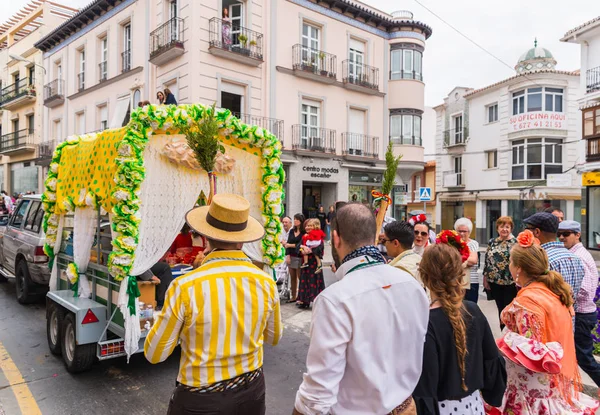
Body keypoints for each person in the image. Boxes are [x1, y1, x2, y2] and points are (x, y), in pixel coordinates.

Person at [145, 193, 282, 415]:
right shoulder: (266, 282)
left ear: (206, 237)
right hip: (252, 392)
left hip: (201, 399)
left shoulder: (185, 286)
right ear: (243, 239)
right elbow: (274, 338)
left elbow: (155, 354)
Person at [293, 203, 429, 415]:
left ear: (335, 238)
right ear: (374, 236)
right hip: (406, 408)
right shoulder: (411, 284)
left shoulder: (334, 300)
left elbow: (317, 394)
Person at [491, 230, 599, 415]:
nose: (509, 265)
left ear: (519, 269)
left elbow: (532, 350)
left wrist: (505, 341)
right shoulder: (551, 291)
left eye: (511, 261)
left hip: (529, 387)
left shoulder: (527, 300)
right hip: (550, 382)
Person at [413, 244, 506, 415]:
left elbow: (426, 383)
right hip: (474, 406)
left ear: (424, 276)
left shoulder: (426, 321)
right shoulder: (473, 310)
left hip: (442, 409)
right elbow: (492, 362)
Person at [558, 220, 600, 386]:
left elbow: (586, 290)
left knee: (584, 358)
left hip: (582, 314)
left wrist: (565, 293)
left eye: (566, 234)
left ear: (578, 235)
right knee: (578, 356)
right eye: (559, 234)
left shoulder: (578, 256)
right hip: (583, 314)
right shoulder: (575, 253)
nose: (562, 237)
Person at [523, 212, 584, 311]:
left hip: (547, 322)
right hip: (568, 322)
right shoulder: (575, 258)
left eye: (528, 228)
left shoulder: (541, 260)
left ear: (537, 232)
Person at [483, 216, 517, 330]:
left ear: (511, 229)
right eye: (502, 226)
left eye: (507, 227)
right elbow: (487, 260)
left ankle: (510, 332)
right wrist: (485, 279)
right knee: (500, 308)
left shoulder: (515, 243)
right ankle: (503, 332)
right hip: (495, 281)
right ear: (497, 228)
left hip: (510, 283)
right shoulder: (492, 242)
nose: (504, 229)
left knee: (509, 310)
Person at [296, 219, 325, 308]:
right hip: (306, 263)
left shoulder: (318, 237)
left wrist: (310, 251)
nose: (307, 227)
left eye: (310, 226)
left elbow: (320, 249)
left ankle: (317, 300)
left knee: (315, 281)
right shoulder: (304, 236)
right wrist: (302, 248)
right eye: (306, 226)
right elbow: (298, 248)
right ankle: (304, 300)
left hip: (314, 263)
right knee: (304, 280)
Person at [455, 218, 480, 303]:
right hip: (456, 281)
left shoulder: (473, 244)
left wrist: (456, 257)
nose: (462, 233)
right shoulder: (453, 243)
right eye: (459, 231)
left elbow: (473, 261)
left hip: (471, 281)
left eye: (464, 231)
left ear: (469, 232)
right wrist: (465, 258)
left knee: (471, 307)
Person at [285, 214, 305, 303]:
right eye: (294, 219)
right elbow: (287, 244)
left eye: (297, 219)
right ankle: (293, 296)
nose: (295, 221)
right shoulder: (292, 231)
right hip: (292, 256)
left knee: (300, 276)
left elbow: (299, 245)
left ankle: (301, 296)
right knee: (292, 277)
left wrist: (289, 245)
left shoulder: (303, 232)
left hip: (300, 256)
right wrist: (288, 255)